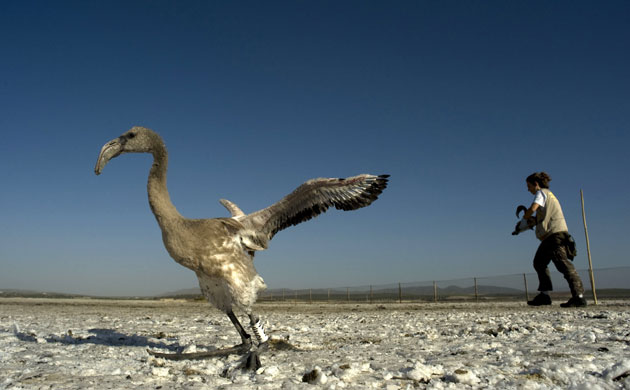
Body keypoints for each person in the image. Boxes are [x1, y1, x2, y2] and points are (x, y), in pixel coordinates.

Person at [512, 172, 587, 307]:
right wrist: (522, 228)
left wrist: (525, 218)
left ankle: (579, 297)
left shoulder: (541, 193)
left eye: (528, 186)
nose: (527, 189)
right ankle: (544, 296)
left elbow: (533, 209)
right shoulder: (549, 196)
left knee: (563, 264)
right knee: (539, 262)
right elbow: (539, 219)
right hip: (551, 236)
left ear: (536, 184)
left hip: (554, 235)